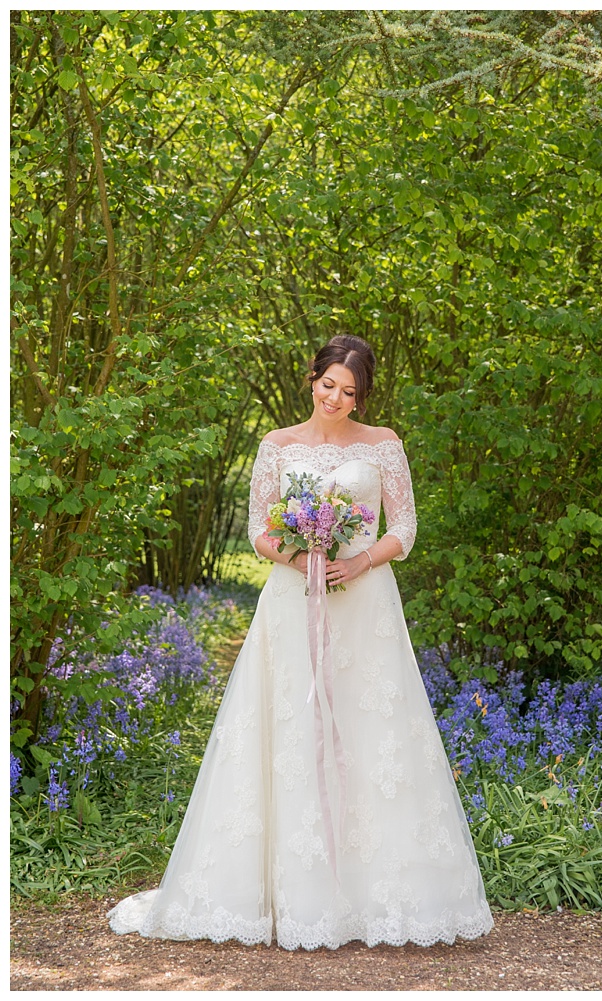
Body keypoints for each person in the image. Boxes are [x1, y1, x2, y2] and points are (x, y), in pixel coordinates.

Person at [108, 334, 493, 950]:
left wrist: (360, 560)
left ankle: (376, 892)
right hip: (295, 598)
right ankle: (291, 887)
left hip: (365, 604)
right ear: (311, 379)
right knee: (291, 726)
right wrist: (300, 556)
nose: (336, 398)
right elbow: (260, 530)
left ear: (362, 395)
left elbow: (408, 528)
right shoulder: (277, 446)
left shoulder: (384, 445)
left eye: (349, 391)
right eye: (328, 385)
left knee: (372, 730)